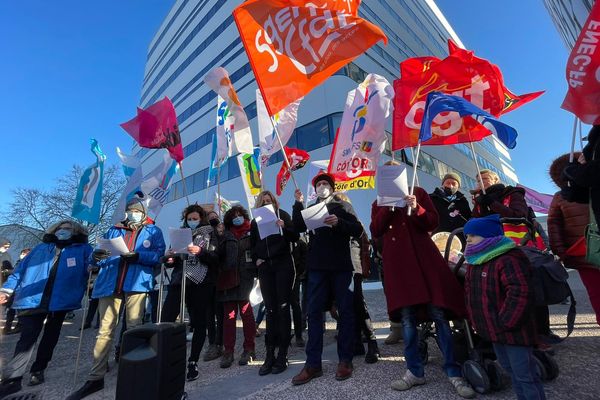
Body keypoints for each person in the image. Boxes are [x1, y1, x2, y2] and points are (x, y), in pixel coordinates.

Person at [370, 181, 474, 398]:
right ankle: (414, 371)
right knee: (407, 318)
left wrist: (418, 208)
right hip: (400, 266)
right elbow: (376, 229)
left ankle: (453, 371)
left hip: (424, 261)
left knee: (439, 313)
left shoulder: (418, 193)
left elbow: (432, 222)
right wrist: (388, 208)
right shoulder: (378, 202)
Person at [67, 197, 166, 400]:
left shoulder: (153, 231)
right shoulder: (114, 230)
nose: (132, 213)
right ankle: (96, 376)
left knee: (134, 328)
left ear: (143, 212)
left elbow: (159, 256)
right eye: (130, 210)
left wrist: (139, 256)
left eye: (136, 210)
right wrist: (96, 258)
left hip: (136, 284)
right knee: (105, 331)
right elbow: (96, 256)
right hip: (110, 283)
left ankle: (134, 370)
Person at [0, 221, 92, 398]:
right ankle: (13, 379)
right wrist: (7, 289)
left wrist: (97, 263)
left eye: (69, 230)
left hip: (60, 300)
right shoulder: (41, 248)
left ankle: (38, 369)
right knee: (27, 338)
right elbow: (20, 270)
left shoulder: (83, 249)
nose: (64, 232)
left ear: (76, 233)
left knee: (50, 337)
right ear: (55, 231)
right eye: (61, 229)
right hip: (33, 299)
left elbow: (92, 267)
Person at [291, 172, 363, 385]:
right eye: (319, 184)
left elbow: (357, 229)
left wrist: (339, 222)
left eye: (325, 183)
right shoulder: (310, 207)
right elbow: (297, 228)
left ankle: (345, 360)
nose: (322, 186)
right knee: (313, 314)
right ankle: (313, 364)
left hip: (341, 267)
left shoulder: (342, 206)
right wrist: (297, 204)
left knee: (346, 312)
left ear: (332, 187)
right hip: (317, 268)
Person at [463, 214, 546, 400]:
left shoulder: (508, 259)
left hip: (513, 330)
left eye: (472, 235)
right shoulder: (475, 261)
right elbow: (470, 293)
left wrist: (506, 321)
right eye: (466, 236)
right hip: (494, 329)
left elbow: (520, 292)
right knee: (509, 368)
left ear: (489, 236)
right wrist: (478, 321)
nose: (467, 239)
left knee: (525, 374)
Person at [160, 204, 220, 380]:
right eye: (189, 219)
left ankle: (193, 361)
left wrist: (200, 251)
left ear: (201, 218)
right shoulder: (179, 234)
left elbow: (215, 258)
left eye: (195, 218)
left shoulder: (210, 233)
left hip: (202, 283)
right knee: (166, 318)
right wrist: (170, 258)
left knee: (199, 322)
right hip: (180, 281)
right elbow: (171, 260)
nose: (192, 221)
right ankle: (167, 358)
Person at [548, 152, 600, 326]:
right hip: (582, 252)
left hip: (581, 252)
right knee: (596, 292)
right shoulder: (560, 196)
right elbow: (554, 226)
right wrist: (561, 252)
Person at [250, 190, 299, 375]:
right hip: (265, 268)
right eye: (262, 202)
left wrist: (284, 227)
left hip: (283, 265)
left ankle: (283, 354)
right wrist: (256, 259)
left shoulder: (282, 214)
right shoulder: (255, 222)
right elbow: (252, 244)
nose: (266, 204)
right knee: (270, 310)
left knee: (283, 308)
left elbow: (295, 236)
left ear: (274, 202)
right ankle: (269, 354)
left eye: (269, 201)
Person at [334, 192, 379, 364]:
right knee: (344, 307)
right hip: (338, 266)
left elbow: (364, 245)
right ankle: (357, 343)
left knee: (358, 304)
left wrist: (364, 267)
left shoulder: (354, 221)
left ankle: (372, 343)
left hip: (354, 266)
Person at [217, 205, 257, 368]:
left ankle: (249, 349)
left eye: (240, 215)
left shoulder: (252, 230)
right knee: (229, 317)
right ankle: (228, 351)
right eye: (234, 216)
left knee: (247, 315)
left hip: (246, 278)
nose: (237, 218)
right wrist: (219, 235)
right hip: (228, 279)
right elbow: (218, 255)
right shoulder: (225, 234)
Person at [203, 210, 224, 362]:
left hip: (220, 277)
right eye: (210, 218)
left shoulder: (223, 232)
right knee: (209, 313)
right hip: (205, 278)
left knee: (220, 313)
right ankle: (212, 343)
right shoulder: (204, 234)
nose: (213, 219)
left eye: (215, 217)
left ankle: (220, 342)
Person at [429, 172, 472, 239]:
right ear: (443, 184)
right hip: (436, 237)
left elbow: (468, 219)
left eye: (454, 183)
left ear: (458, 186)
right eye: (448, 183)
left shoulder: (463, 201)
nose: (450, 186)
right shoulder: (431, 198)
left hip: (458, 239)